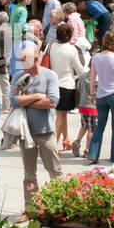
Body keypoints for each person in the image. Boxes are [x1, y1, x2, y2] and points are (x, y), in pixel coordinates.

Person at [13, 46, 62, 208]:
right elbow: (13, 101)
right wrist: (37, 97)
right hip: (25, 133)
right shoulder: (18, 77)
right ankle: (31, 208)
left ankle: (59, 205)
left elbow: (52, 102)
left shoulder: (50, 76)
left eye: (24, 60)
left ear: (35, 59)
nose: (21, 64)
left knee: (55, 171)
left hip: (46, 132)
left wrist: (25, 100)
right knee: (29, 174)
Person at [87, 32, 114, 165]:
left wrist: (92, 94)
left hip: (101, 94)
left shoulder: (96, 58)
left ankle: (93, 154)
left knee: (99, 126)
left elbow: (92, 78)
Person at [48, 22, 85, 151]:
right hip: (67, 84)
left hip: (52, 84)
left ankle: (66, 139)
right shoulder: (71, 49)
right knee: (61, 115)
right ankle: (53, 145)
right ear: (69, 36)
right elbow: (79, 69)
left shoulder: (50, 46)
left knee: (61, 114)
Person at [0, 10, 12, 111]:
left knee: (4, 84)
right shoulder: (10, 28)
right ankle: (9, 104)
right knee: (9, 81)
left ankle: (6, 106)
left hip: (1, 59)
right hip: (11, 57)